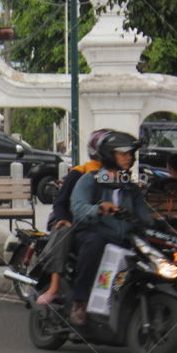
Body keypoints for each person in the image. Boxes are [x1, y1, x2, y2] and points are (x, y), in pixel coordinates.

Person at [68, 131, 152, 324]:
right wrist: (98, 209)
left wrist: (161, 223)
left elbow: (144, 216)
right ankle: (80, 301)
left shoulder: (130, 187)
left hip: (123, 239)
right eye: (123, 153)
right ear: (109, 155)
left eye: (130, 154)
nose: (129, 158)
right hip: (94, 234)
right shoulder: (90, 180)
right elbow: (78, 207)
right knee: (95, 243)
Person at [34, 128, 111, 307]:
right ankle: (53, 288)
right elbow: (60, 202)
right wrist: (64, 218)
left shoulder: (116, 176)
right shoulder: (79, 173)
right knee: (64, 231)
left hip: (97, 223)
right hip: (68, 218)